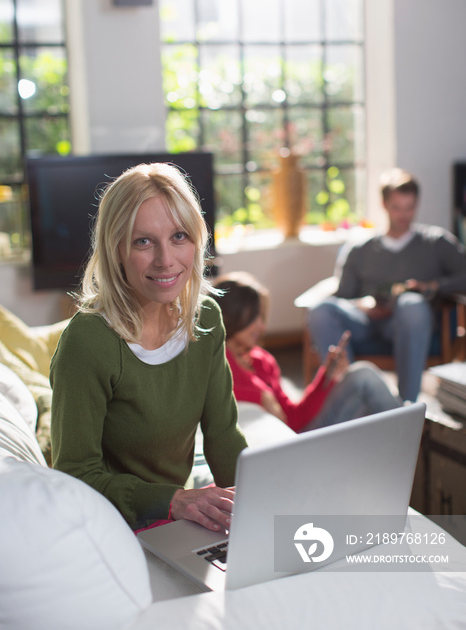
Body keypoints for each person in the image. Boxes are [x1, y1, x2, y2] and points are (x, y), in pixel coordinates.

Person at [50, 162, 247, 533]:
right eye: (144, 241)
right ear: (116, 250)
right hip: (108, 525)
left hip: (176, 517)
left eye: (179, 237)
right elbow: (75, 474)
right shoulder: (87, 342)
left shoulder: (206, 318)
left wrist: (261, 501)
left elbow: (222, 432)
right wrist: (172, 500)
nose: (166, 260)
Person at [307, 168, 466, 402]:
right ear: (384, 204)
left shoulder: (436, 242)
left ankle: (406, 405)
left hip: (409, 324)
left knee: (410, 303)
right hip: (365, 322)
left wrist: (431, 285)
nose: (404, 215)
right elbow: (343, 295)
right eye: (397, 208)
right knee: (320, 311)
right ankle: (347, 402)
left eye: (410, 208)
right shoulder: (360, 249)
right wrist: (363, 304)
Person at [212, 272, 401, 433]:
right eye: (253, 318)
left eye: (261, 317)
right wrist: (261, 397)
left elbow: (295, 416)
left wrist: (326, 376)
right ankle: (413, 438)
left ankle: (408, 439)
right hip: (286, 447)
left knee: (366, 396)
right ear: (232, 315)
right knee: (363, 377)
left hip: (297, 435)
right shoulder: (215, 362)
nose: (261, 326)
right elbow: (211, 396)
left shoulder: (262, 360)